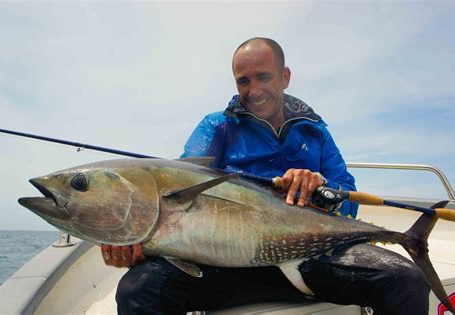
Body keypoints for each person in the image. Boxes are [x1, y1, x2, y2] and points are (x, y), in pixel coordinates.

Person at [101, 38, 430, 314]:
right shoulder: (217, 127)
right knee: (139, 289)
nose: (254, 90)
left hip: (309, 259)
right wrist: (137, 239)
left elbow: (349, 202)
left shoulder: (315, 133)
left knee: (405, 279)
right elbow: (180, 187)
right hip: (228, 264)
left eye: (263, 77)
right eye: (243, 81)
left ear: (284, 77)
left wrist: (320, 186)